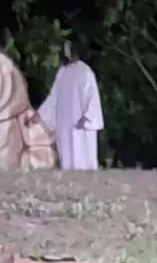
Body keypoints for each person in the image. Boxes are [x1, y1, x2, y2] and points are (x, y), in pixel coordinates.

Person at [25, 39, 104, 170]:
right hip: (65, 123)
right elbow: (54, 97)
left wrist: (88, 117)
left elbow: (92, 97)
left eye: (67, 47)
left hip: (81, 124)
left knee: (82, 155)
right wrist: (40, 115)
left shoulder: (85, 72)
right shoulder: (63, 72)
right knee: (67, 157)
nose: (64, 50)